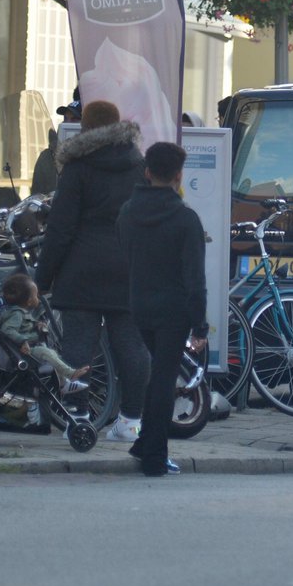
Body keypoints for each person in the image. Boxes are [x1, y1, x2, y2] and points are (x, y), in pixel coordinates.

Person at [35, 100, 150, 443]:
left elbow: (60, 229)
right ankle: (131, 421)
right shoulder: (138, 165)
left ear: (85, 128)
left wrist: (42, 278)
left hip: (81, 269)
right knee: (132, 347)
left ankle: (79, 416)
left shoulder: (77, 167)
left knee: (78, 347)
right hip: (129, 267)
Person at [117, 142, 209, 477]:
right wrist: (200, 325)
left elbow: (125, 253)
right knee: (164, 379)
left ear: (147, 172)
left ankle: (145, 445)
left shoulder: (128, 212)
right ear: (178, 175)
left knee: (159, 375)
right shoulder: (186, 219)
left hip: (139, 304)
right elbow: (194, 278)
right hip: (174, 310)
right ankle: (154, 456)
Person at [0, 274, 89, 395]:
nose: (38, 298)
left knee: (51, 353)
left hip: (26, 348)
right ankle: (71, 374)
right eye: (36, 295)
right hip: (21, 351)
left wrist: (37, 325)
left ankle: (63, 383)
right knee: (47, 353)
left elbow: (24, 327)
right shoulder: (17, 314)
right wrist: (22, 341)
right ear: (29, 301)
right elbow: (7, 330)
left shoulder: (21, 313)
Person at [30, 86, 82, 197]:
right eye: (65, 119)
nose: (67, 123)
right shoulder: (47, 157)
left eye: (74, 119)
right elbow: (36, 196)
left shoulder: (95, 156)